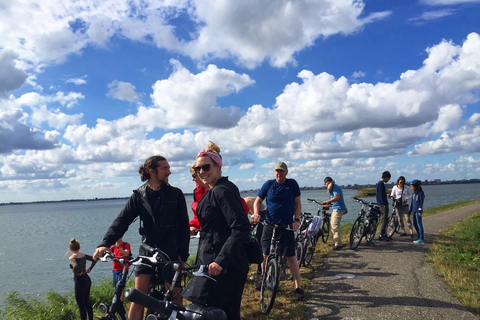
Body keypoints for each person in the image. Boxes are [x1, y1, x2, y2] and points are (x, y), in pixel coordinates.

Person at [93, 156, 190, 320]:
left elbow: (184, 227)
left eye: (169, 168)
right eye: (165, 168)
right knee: (137, 297)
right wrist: (105, 244)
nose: (169, 171)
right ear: (152, 172)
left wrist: (183, 255)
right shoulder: (139, 195)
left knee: (174, 296)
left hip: (170, 251)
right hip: (147, 250)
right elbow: (122, 221)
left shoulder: (176, 194)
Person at [189, 142, 251, 320]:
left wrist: (220, 261)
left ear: (218, 166)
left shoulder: (222, 191)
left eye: (205, 167)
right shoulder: (214, 190)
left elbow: (240, 227)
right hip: (214, 262)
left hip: (224, 265)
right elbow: (216, 225)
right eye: (198, 169)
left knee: (222, 313)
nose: (201, 172)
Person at [251, 161, 305, 301]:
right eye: (277, 171)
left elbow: (298, 203)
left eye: (281, 171)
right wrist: (256, 213)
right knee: (265, 254)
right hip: (269, 224)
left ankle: (298, 286)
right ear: (274, 172)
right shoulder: (268, 184)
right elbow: (257, 201)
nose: (278, 173)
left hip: (286, 226)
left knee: (291, 257)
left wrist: (296, 220)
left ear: (286, 172)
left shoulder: (292, 184)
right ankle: (264, 280)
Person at [68, 238, 96, 320]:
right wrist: (90, 268)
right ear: (79, 247)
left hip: (79, 280)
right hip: (87, 278)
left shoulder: (72, 258)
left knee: (80, 304)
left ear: (70, 249)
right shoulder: (83, 255)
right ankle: (91, 318)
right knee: (87, 301)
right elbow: (94, 259)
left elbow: (75, 266)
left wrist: (76, 273)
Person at [320, 177, 348, 250]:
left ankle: (338, 244)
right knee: (334, 226)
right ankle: (337, 241)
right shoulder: (332, 187)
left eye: (325, 183)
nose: (324, 185)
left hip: (339, 209)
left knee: (334, 226)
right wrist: (329, 204)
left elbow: (337, 198)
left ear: (327, 182)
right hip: (336, 208)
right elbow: (335, 200)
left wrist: (327, 202)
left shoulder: (335, 187)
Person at [244, 196, 266, 276]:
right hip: (261, 216)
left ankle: (260, 269)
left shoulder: (247, 202)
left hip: (263, 216)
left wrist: (249, 227)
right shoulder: (245, 201)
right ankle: (260, 268)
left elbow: (255, 218)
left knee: (259, 242)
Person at [188, 163, 208, 235]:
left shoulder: (218, 191)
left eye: (194, 176)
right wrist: (193, 226)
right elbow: (198, 218)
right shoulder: (198, 194)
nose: (193, 179)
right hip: (206, 237)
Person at [376, 171, 392, 241]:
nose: (388, 180)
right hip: (382, 204)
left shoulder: (380, 183)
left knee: (385, 219)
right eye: (388, 179)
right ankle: (381, 235)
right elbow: (379, 195)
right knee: (384, 220)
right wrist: (383, 204)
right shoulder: (380, 184)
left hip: (382, 203)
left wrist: (386, 195)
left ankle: (383, 234)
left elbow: (381, 194)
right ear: (386, 177)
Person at [410, 179, 426, 244]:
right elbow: (412, 203)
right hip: (414, 210)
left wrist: (420, 211)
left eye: (412, 186)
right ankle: (419, 236)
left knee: (419, 224)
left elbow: (420, 203)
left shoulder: (419, 194)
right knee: (414, 224)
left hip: (417, 211)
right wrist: (410, 211)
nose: (411, 187)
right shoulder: (414, 194)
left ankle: (422, 239)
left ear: (415, 186)